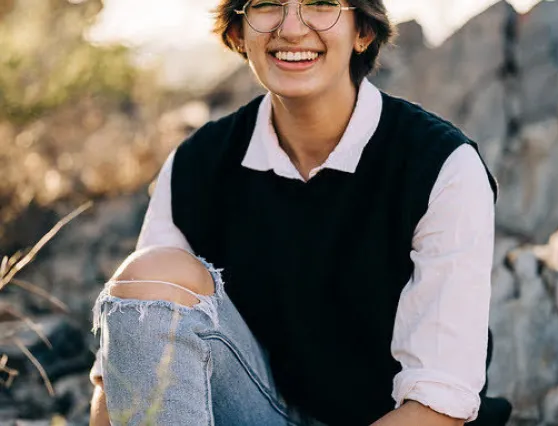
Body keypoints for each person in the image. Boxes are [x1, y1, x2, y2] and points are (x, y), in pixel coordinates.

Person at [89, 0, 513, 425]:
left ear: (363, 32)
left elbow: (439, 408)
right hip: (254, 411)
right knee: (150, 273)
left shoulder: (442, 166)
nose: (292, 29)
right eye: (267, 5)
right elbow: (126, 366)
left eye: (321, 4)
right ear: (238, 32)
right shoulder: (196, 164)